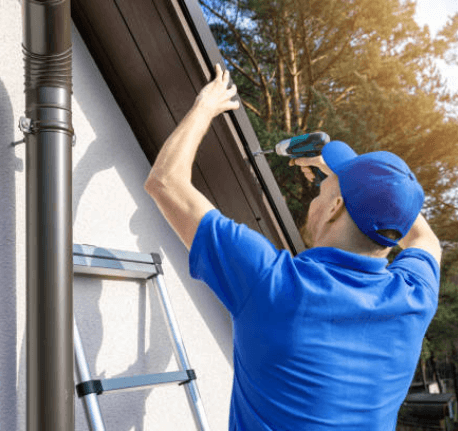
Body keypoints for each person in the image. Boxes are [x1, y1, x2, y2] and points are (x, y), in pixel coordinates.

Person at [144, 64, 442, 430]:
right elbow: (423, 238)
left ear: (334, 208)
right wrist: (370, 186)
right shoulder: (415, 296)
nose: (316, 195)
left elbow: (165, 182)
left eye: (324, 189)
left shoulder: (273, 282)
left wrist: (206, 106)